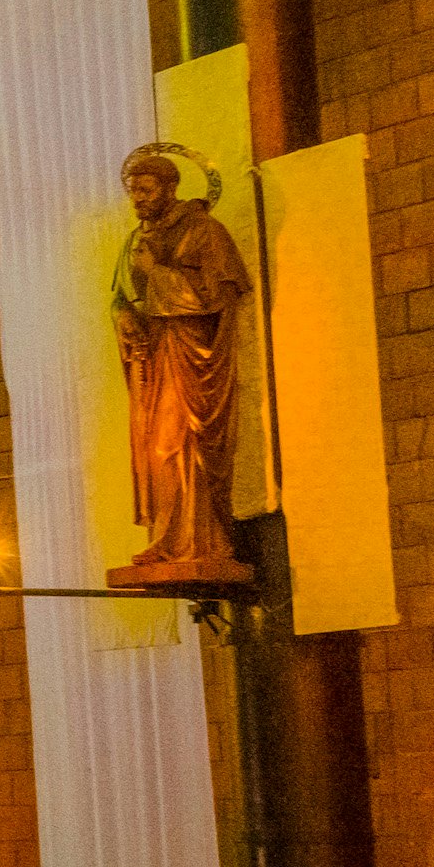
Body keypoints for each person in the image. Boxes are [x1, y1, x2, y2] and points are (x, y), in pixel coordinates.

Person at [110, 142, 255, 589]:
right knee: (157, 449)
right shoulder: (135, 240)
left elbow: (218, 297)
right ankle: (169, 539)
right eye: (132, 190)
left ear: (170, 188)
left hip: (193, 358)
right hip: (153, 358)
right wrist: (125, 318)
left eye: (146, 189)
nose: (138, 198)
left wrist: (158, 275)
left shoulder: (203, 230)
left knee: (182, 444)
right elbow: (119, 297)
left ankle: (201, 542)